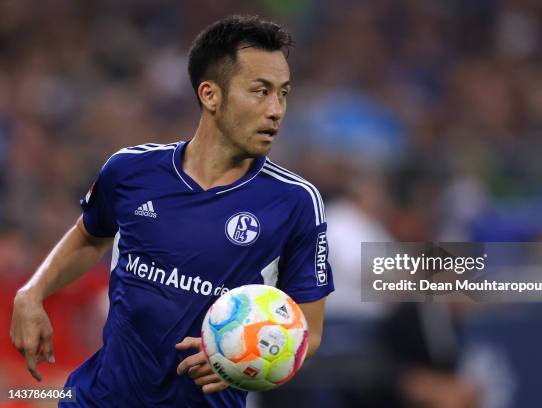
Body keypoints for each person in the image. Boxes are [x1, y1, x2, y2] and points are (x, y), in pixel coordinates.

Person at [10, 15, 333, 407]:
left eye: (283, 93)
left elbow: (307, 332)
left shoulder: (295, 201)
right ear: (211, 95)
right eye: (260, 91)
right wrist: (32, 293)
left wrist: (243, 363)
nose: (276, 110)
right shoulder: (131, 170)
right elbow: (89, 236)